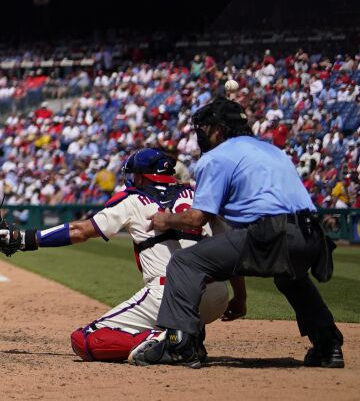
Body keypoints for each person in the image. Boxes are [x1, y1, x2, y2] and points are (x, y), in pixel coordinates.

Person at [131, 98, 343, 369]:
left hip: (271, 233)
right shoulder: (274, 151)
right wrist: (240, 296)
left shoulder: (215, 157)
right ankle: (328, 346)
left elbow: (197, 217)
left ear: (218, 129)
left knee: (185, 262)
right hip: (312, 237)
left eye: (204, 128)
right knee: (291, 277)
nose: (201, 134)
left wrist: (166, 219)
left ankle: (179, 345)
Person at [0, 148, 232, 363]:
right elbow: (230, 246)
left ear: (142, 177)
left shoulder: (134, 199)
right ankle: (187, 334)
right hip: (217, 296)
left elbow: (80, 231)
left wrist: (22, 239)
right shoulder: (200, 196)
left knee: (85, 339)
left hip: (171, 295)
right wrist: (239, 298)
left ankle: (171, 341)